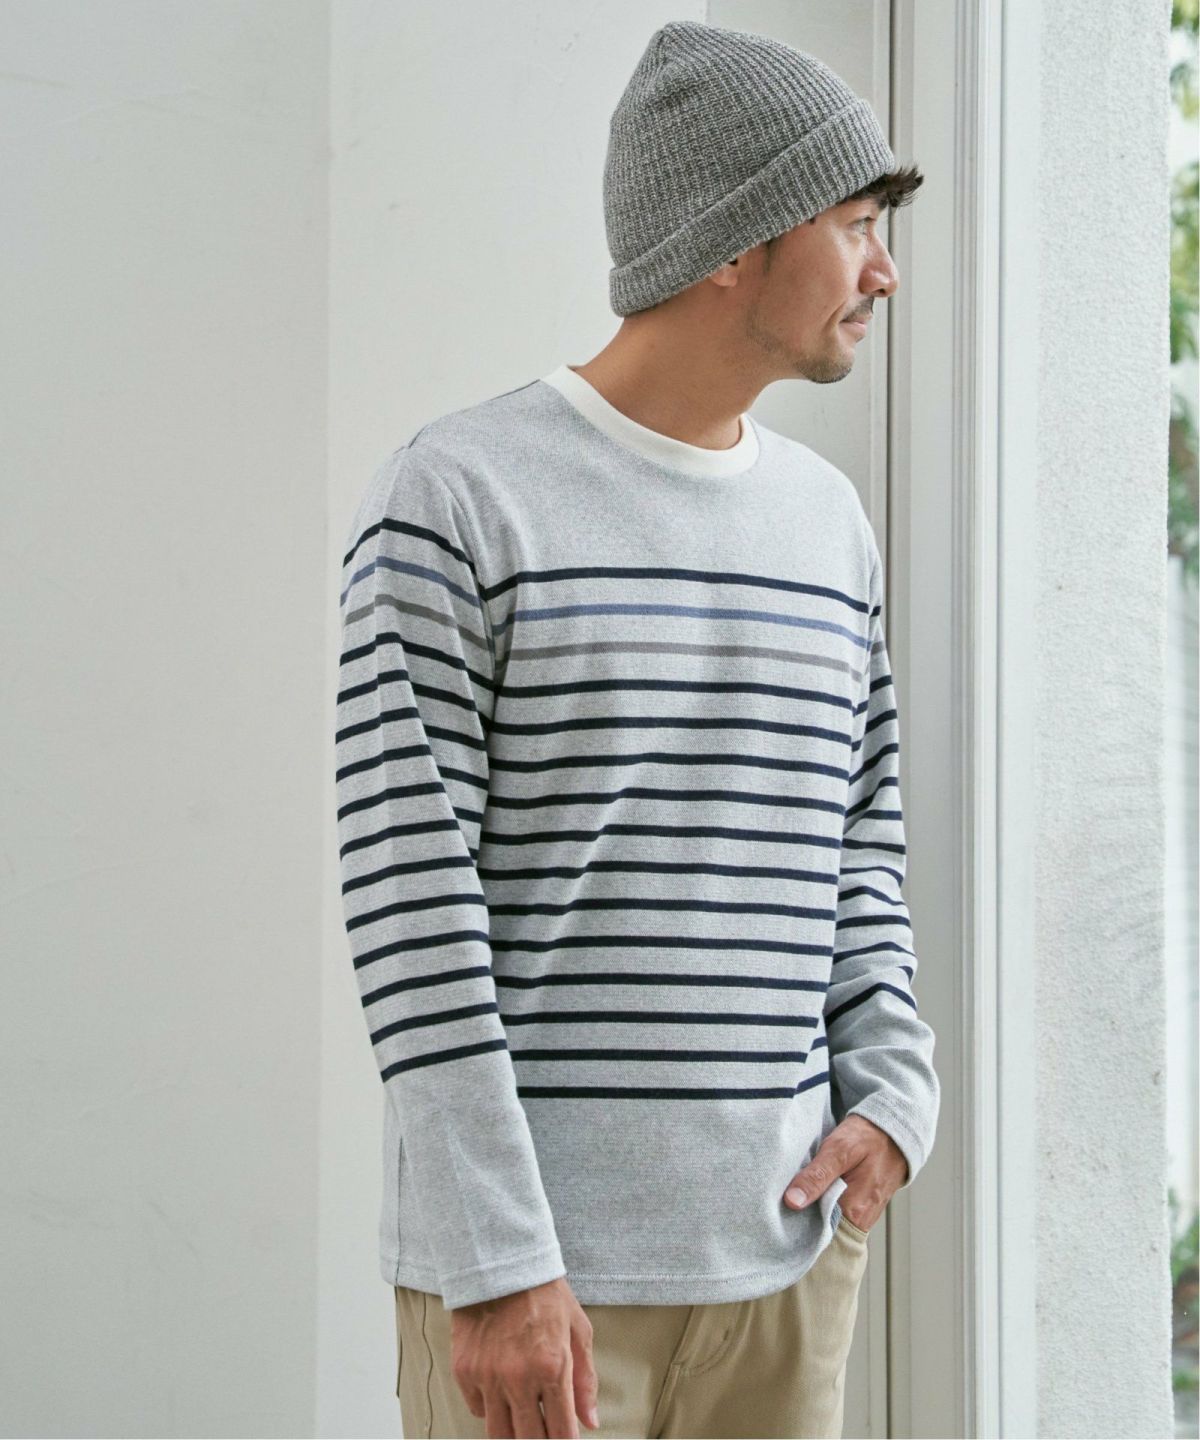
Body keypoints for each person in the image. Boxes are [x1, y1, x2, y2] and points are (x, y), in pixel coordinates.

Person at [334, 17, 940, 1439]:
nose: (884, 270)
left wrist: (892, 1090)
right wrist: (498, 1265)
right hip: (538, 1296)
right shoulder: (458, 496)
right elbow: (412, 903)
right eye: (855, 224)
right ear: (734, 243)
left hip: (784, 1268)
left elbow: (862, 837)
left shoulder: (828, 526)